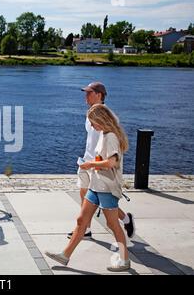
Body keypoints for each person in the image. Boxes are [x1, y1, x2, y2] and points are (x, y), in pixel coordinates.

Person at [46, 104, 131, 272]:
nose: (91, 126)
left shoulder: (111, 137)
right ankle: (65, 255)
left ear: (101, 120)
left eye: (93, 122)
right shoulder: (104, 134)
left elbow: (112, 162)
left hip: (107, 187)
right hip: (95, 185)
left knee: (112, 224)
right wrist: (92, 167)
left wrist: (90, 164)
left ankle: (124, 259)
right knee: (81, 221)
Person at [68, 82, 135, 240]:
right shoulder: (90, 113)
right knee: (85, 194)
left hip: (99, 165)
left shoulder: (111, 117)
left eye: (89, 93)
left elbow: (114, 141)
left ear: (99, 94)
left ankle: (125, 220)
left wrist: (102, 163)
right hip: (86, 160)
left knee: (102, 201)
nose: (86, 96)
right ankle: (86, 229)